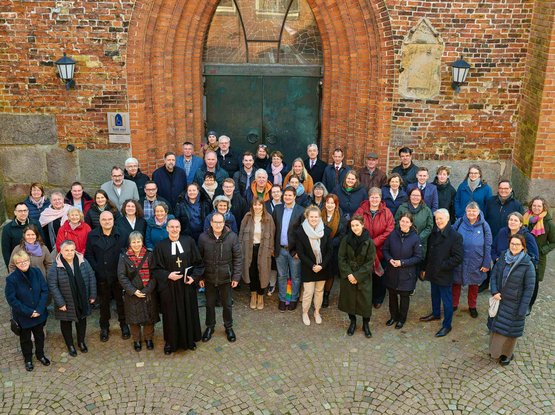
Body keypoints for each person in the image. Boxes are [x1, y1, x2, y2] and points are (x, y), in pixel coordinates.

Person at [151, 219, 204, 354]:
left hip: (187, 286)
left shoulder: (189, 242)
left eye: (177, 227)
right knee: (170, 315)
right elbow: (155, 269)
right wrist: (168, 275)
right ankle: (170, 343)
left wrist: (194, 277)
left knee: (188, 311)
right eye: (171, 227)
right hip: (169, 287)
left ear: (180, 228)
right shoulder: (160, 246)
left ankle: (190, 339)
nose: (174, 229)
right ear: (167, 228)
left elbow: (199, 264)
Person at [488, 234, 535, 366]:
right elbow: (494, 275)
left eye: (517, 244)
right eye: (512, 244)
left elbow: (529, 289)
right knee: (497, 328)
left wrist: (522, 309)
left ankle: (507, 354)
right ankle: (495, 351)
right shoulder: (503, 257)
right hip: (500, 299)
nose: (514, 246)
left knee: (510, 332)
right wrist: (495, 291)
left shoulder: (527, 264)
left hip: (515, 304)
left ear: (523, 247)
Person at [198, 213, 242, 343]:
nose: (218, 225)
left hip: (226, 277)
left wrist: (236, 277)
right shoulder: (203, 238)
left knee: (227, 304)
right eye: (215, 222)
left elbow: (238, 258)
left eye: (220, 222)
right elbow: (199, 259)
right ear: (211, 223)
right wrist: (200, 277)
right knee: (209, 304)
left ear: (224, 223)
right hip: (209, 276)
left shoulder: (232, 237)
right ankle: (210, 327)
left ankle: (228, 327)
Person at [85, 211, 128, 342]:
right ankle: (104, 327)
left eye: (109, 219)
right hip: (102, 276)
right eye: (104, 219)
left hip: (118, 275)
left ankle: (124, 325)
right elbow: (89, 255)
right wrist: (97, 268)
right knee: (104, 304)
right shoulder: (92, 235)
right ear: (100, 221)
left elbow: (127, 253)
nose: (107, 221)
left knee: (121, 302)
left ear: (113, 220)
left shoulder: (122, 234)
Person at [419, 209, 463, 338]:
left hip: (444, 273)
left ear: (448, 219)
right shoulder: (434, 233)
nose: (438, 221)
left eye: (441, 218)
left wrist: (442, 266)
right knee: (434, 295)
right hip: (433, 271)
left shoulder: (455, 236)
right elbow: (429, 253)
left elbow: (458, 258)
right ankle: (436, 313)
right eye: (436, 219)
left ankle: (447, 325)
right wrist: (425, 267)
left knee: (447, 300)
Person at [48, 240, 97, 357]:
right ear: (61, 251)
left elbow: (91, 277)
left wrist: (93, 294)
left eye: (72, 250)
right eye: (66, 250)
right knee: (66, 323)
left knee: (82, 320)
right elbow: (52, 285)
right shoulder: (55, 266)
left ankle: (81, 342)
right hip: (65, 301)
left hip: (81, 298)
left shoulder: (83, 261)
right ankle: (70, 344)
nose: (70, 253)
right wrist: (60, 303)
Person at [6, 250, 50, 371]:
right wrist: (29, 312)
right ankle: (28, 359)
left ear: (29, 260)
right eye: (19, 262)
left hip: (39, 312)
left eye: (25, 261)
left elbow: (44, 290)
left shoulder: (36, 272)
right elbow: (12, 300)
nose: (23, 263)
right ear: (16, 264)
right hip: (24, 316)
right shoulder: (11, 279)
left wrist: (40, 309)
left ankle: (40, 355)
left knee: (39, 336)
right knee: (25, 339)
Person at [117, 232, 159, 352]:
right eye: (134, 242)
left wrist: (147, 290)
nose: (136, 244)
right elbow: (121, 276)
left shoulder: (150, 255)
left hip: (148, 292)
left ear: (142, 242)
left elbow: (154, 274)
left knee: (149, 317)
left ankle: (149, 338)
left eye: (138, 241)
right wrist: (133, 291)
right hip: (132, 293)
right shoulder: (124, 257)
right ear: (130, 243)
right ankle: (136, 340)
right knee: (133, 319)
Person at [355, 187, 395, 308]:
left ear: (380, 198)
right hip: (364, 249)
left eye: (377, 197)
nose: (374, 199)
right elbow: (355, 226)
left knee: (380, 275)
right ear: (369, 197)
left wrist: (374, 242)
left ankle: (378, 298)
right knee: (366, 275)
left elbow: (390, 230)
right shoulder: (361, 210)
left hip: (381, 250)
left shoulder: (386, 212)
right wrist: (366, 242)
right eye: (372, 197)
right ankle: (366, 297)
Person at [383, 212, 424, 329]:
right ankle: (393, 316)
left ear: (411, 224)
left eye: (407, 221)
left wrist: (402, 263)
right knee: (392, 296)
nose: (404, 223)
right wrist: (389, 259)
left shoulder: (415, 238)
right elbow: (385, 249)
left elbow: (418, 257)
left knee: (404, 297)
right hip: (392, 271)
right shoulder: (392, 235)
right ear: (399, 222)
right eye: (402, 221)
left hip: (407, 273)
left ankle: (402, 319)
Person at [451, 202, 492, 318]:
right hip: (460, 258)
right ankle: (454, 304)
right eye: (469, 211)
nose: (471, 213)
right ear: (466, 212)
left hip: (476, 260)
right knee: (456, 282)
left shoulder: (484, 226)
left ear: (478, 212)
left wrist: (486, 262)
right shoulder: (459, 222)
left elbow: (488, 245)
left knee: (474, 285)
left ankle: (472, 306)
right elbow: (451, 236)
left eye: (474, 211)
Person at [338, 215, 376, 338]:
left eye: (357, 225)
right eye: (352, 226)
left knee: (365, 301)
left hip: (363, 277)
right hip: (348, 275)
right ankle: (352, 322)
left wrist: (357, 276)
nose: (355, 228)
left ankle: (366, 324)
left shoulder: (369, 242)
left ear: (362, 225)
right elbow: (341, 258)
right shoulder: (346, 240)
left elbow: (370, 262)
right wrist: (349, 274)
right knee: (349, 300)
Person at [295, 206, 332, 326]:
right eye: (311, 217)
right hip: (308, 267)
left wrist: (321, 265)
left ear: (320, 217)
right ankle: (305, 312)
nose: (314, 219)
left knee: (319, 291)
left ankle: (317, 312)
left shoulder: (326, 230)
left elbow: (330, 251)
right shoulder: (301, 231)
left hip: (322, 267)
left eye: (316, 216)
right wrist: (312, 266)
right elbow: (300, 253)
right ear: (307, 217)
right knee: (308, 292)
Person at [272, 186, 305, 311]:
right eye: (285, 195)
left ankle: (293, 299)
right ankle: (282, 298)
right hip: (279, 249)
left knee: (295, 277)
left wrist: (298, 251)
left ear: (295, 196)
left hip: (294, 251)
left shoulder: (301, 211)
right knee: (281, 275)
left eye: (290, 195)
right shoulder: (278, 209)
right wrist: (272, 248)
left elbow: (303, 234)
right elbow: (273, 229)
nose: (287, 197)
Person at [239, 199, 275, 310]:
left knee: (262, 273)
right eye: (255, 204)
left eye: (259, 205)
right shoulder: (247, 217)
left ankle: (260, 296)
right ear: (252, 206)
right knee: (252, 273)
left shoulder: (268, 218)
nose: (257, 207)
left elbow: (273, 235)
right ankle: (253, 295)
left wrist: (270, 251)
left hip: (263, 249)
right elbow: (240, 235)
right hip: (249, 249)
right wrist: (240, 250)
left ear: (263, 206)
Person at [523, 197, 555, 311]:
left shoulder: (549, 223)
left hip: (538, 258)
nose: (536, 208)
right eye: (534, 205)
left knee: (534, 283)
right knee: (522, 280)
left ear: (543, 207)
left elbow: (553, 242)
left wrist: (542, 250)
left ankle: (529, 305)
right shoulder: (525, 218)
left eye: (539, 206)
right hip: (524, 255)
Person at [394, 188, 433, 265]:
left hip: (420, 242)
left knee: (417, 265)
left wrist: (418, 238)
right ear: (410, 196)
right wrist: (406, 235)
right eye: (413, 195)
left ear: (421, 197)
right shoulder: (402, 208)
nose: (415, 197)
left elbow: (429, 227)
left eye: (418, 195)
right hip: (403, 241)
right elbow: (396, 223)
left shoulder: (426, 210)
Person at [321, 194, 346, 308]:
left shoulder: (341, 217)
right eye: (328, 202)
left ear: (336, 204)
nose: (330, 205)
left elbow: (342, 235)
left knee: (330, 274)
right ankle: (319, 294)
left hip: (333, 250)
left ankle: (326, 295)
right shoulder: (319, 214)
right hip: (319, 249)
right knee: (320, 272)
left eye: (332, 203)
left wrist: (330, 243)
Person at [2, 202, 44, 268]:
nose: (23, 213)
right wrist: (10, 268)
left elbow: (42, 242)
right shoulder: (8, 228)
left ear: (28, 211)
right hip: (20, 263)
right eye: (20, 211)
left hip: (36, 261)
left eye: (25, 210)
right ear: (15, 212)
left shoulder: (36, 223)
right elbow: (6, 252)